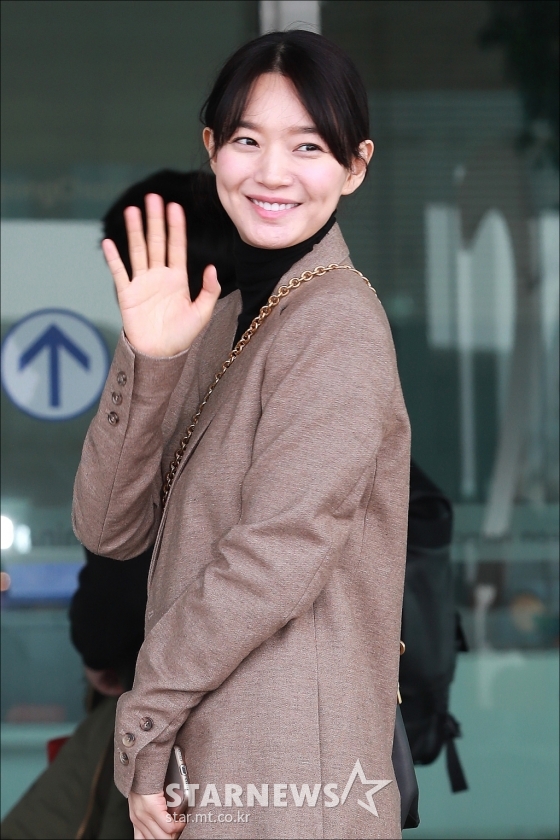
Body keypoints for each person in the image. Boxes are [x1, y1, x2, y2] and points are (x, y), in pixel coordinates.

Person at [72, 30, 411, 840]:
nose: (272, 173)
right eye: (248, 141)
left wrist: (144, 719)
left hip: (291, 775)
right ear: (212, 149)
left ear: (355, 166)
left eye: (308, 146)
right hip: (217, 764)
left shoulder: (336, 321)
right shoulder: (225, 313)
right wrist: (150, 360)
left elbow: (275, 556)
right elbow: (108, 527)